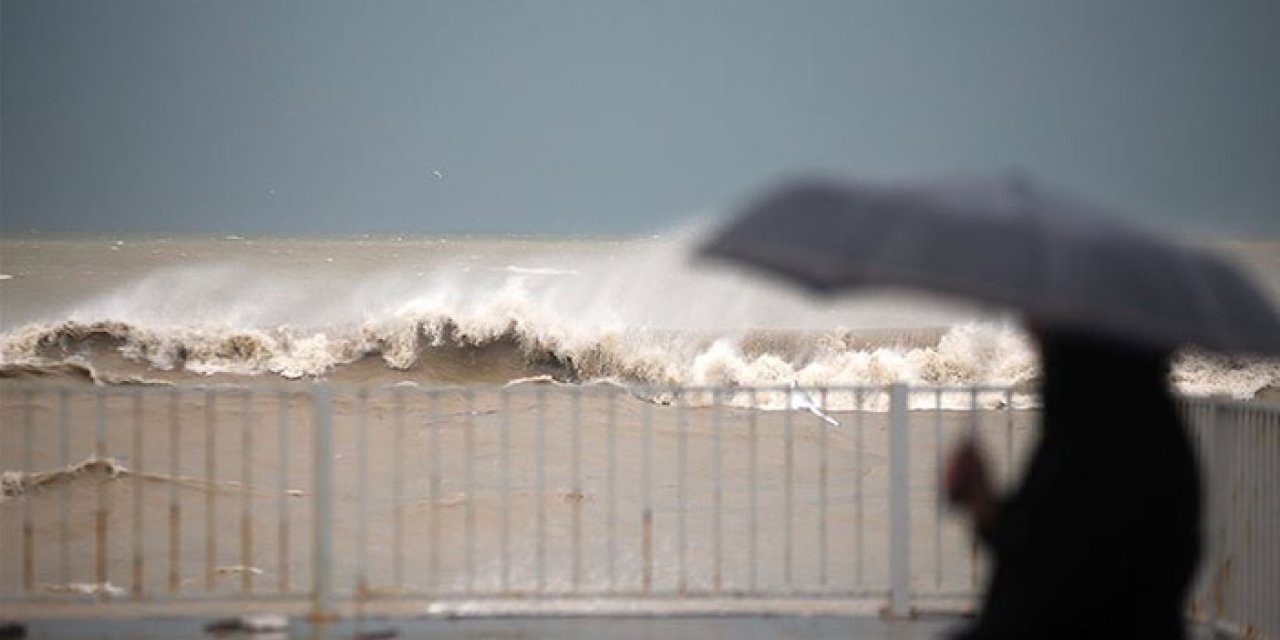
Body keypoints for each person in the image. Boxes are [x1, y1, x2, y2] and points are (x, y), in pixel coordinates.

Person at [945, 328, 1201, 639]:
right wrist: (983, 504)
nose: (1032, 333)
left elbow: (1052, 590)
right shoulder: (1145, 429)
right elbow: (1046, 540)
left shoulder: (1096, 441)